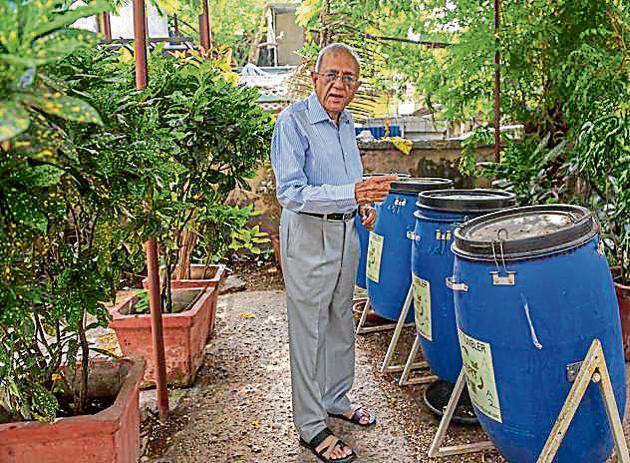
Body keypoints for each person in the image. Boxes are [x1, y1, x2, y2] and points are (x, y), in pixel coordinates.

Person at [271, 43, 396, 463]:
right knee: (308, 331)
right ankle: (310, 426)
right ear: (314, 77)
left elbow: (350, 180)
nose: (339, 84)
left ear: (356, 85)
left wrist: (363, 205)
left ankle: (336, 398)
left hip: (346, 237)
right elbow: (291, 192)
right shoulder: (293, 122)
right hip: (308, 236)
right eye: (332, 75)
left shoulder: (347, 125)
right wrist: (353, 192)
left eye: (348, 77)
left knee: (341, 319)